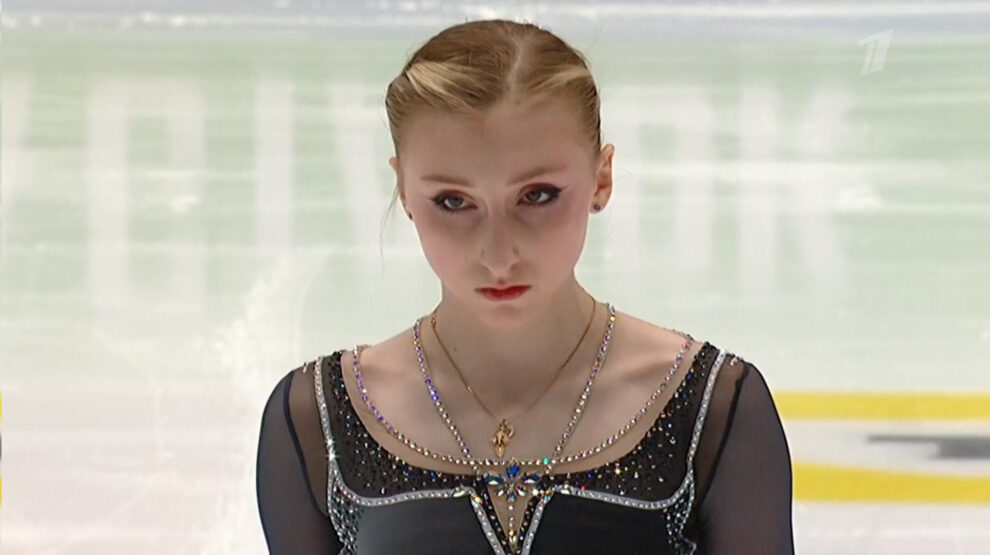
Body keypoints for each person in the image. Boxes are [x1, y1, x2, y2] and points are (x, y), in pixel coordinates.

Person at [256, 18, 795, 554]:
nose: (498, 254)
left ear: (601, 178)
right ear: (404, 190)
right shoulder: (317, 423)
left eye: (537, 196)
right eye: (453, 201)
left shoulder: (711, 410)